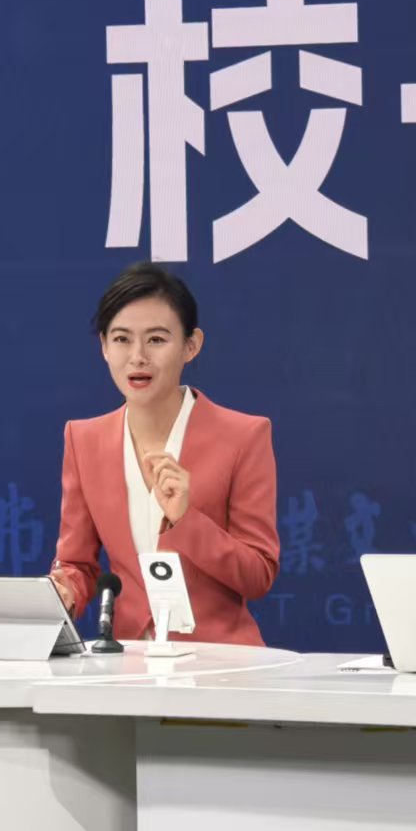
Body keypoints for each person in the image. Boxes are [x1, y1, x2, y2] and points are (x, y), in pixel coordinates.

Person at [48, 262, 280, 646]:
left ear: (191, 345)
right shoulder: (83, 439)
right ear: (104, 346)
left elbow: (259, 575)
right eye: (121, 339)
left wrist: (187, 521)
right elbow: (76, 564)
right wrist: (64, 591)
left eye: (156, 339)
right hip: (129, 661)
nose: (137, 356)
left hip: (221, 662)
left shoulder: (244, 436)